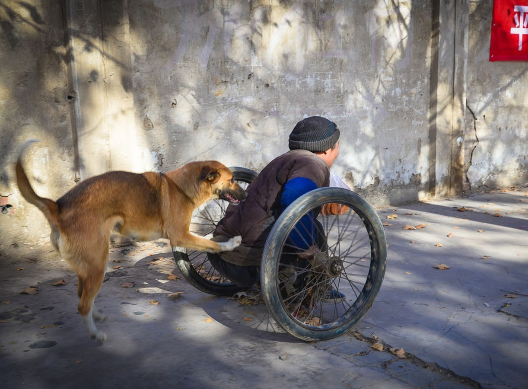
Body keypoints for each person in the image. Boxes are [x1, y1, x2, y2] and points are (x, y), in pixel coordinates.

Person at [208, 116, 344, 301]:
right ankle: (316, 287)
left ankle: (281, 282)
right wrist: (307, 248)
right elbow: (294, 201)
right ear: (329, 148)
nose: (337, 151)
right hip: (250, 265)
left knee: (289, 221)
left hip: (220, 256)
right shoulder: (312, 164)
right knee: (312, 229)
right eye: (337, 146)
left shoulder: (285, 159)